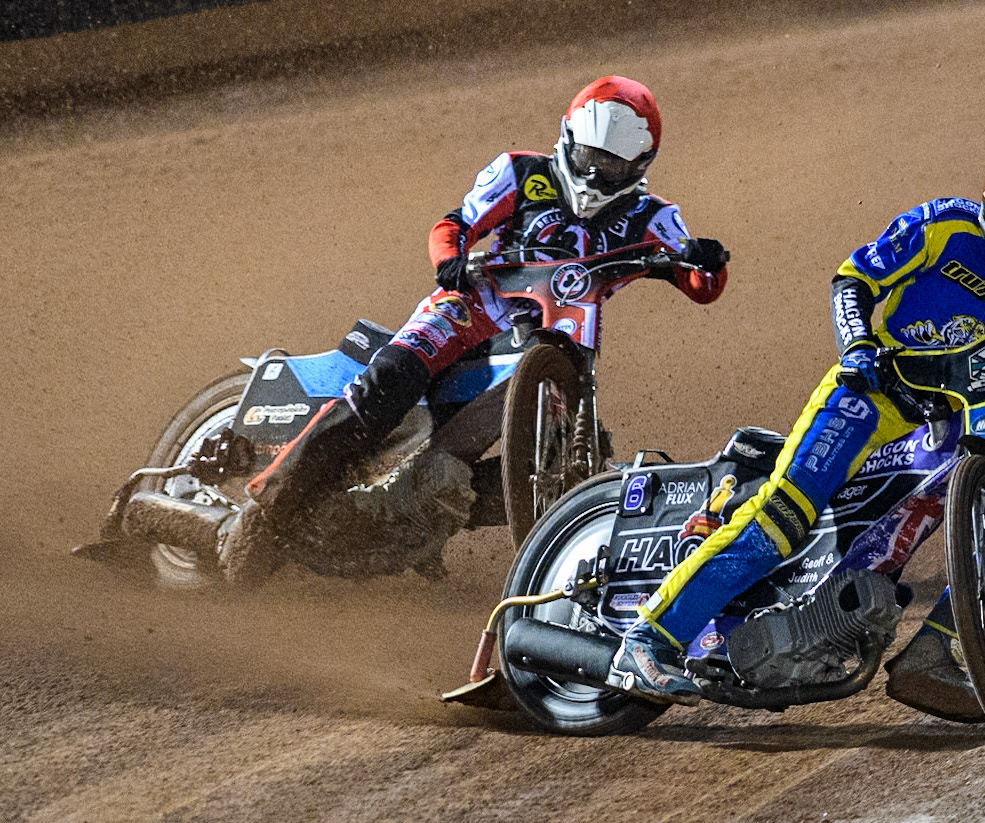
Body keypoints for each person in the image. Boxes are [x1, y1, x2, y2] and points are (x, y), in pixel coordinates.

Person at [611, 130, 985, 718]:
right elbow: (853, 280)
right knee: (782, 517)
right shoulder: (943, 226)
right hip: (872, 396)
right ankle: (647, 640)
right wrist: (857, 346)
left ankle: (937, 653)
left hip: (954, 424)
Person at [221, 75, 729, 582]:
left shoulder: (651, 217)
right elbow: (455, 225)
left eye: (611, 165)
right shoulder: (522, 172)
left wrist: (706, 260)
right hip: (470, 307)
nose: (595, 174)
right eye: (588, 156)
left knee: (577, 459)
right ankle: (269, 510)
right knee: (391, 380)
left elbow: (701, 284)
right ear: (568, 138)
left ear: (638, 166)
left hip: (561, 339)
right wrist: (450, 259)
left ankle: (425, 518)